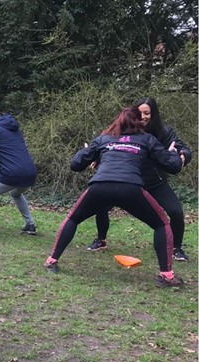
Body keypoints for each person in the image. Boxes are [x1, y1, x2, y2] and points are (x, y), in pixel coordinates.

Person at [44, 106, 183, 288]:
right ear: (138, 122)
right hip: (130, 188)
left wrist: (83, 151)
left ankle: (51, 261)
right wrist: (174, 154)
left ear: (118, 121)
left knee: (73, 218)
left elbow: (76, 164)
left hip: (100, 186)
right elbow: (173, 166)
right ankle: (166, 276)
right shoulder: (147, 139)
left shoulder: (104, 139)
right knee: (162, 224)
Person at [87, 97, 192, 262]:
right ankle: (101, 239)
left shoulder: (164, 132)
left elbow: (183, 149)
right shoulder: (125, 129)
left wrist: (183, 156)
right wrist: (96, 158)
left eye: (147, 113)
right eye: (140, 113)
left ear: (153, 114)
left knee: (176, 211)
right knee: (101, 204)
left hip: (155, 182)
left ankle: (176, 248)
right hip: (128, 180)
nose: (143, 117)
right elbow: (109, 146)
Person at [0, 111, 37, 240]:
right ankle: (30, 225)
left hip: (11, 174)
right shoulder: (14, 130)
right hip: (30, 173)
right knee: (15, 193)